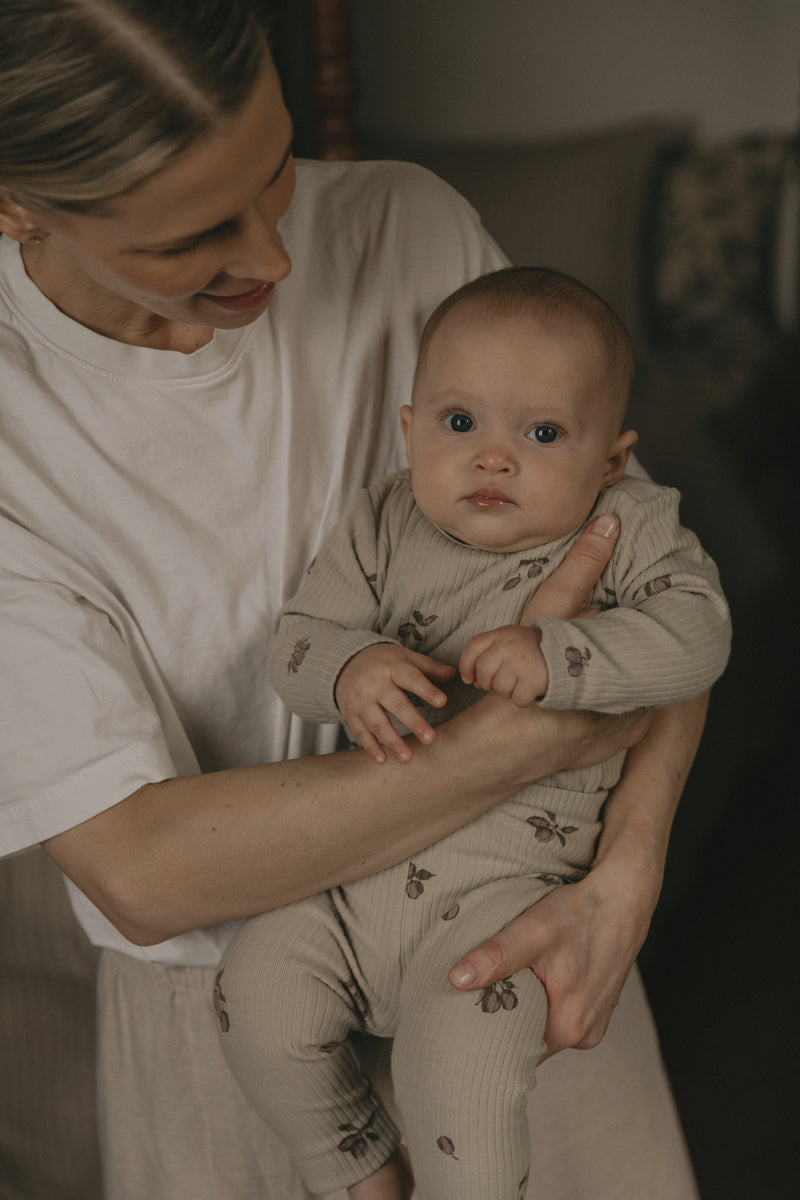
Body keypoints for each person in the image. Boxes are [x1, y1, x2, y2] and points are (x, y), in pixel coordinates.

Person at [0, 4, 704, 1198]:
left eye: (276, 168)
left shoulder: (404, 226)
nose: (274, 256)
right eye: (191, 236)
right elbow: (146, 867)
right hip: (225, 1024)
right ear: (16, 205)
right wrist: (509, 743)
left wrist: (624, 877)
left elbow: (641, 562)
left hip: (533, 935)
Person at [216, 267, 731, 1200]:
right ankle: (354, 1168)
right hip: (357, 868)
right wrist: (348, 667)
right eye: (461, 425)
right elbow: (294, 646)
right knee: (255, 992)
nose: (494, 458)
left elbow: (700, 636)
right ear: (409, 429)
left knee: (462, 1070)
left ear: (611, 462)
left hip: (508, 894)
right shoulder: (379, 522)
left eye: (541, 434)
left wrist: (562, 657)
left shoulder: (632, 523)